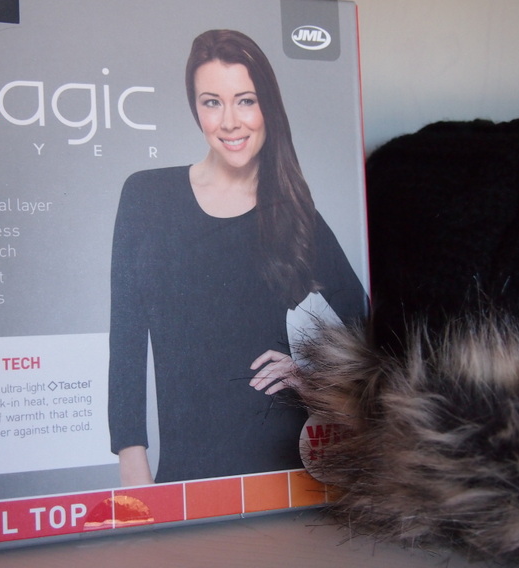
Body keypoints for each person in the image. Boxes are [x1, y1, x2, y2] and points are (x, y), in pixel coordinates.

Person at [108, 29, 367, 486]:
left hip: (283, 467)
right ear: (195, 108)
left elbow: (364, 324)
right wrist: (132, 459)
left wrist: (311, 375)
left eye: (245, 101)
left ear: (268, 107)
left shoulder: (293, 212)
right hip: (187, 470)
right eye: (212, 102)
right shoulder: (147, 195)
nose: (229, 122)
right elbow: (126, 334)